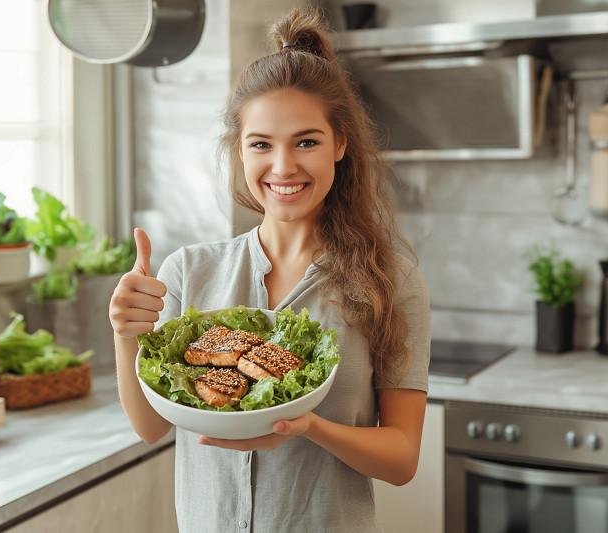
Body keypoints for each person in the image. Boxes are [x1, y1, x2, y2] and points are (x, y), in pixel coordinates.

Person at [109, 7, 430, 532]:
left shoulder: (391, 281)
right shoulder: (189, 271)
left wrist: (309, 427)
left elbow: (401, 459)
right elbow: (149, 426)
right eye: (261, 144)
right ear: (240, 150)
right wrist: (127, 333)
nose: (283, 167)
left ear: (340, 144)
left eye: (306, 141)